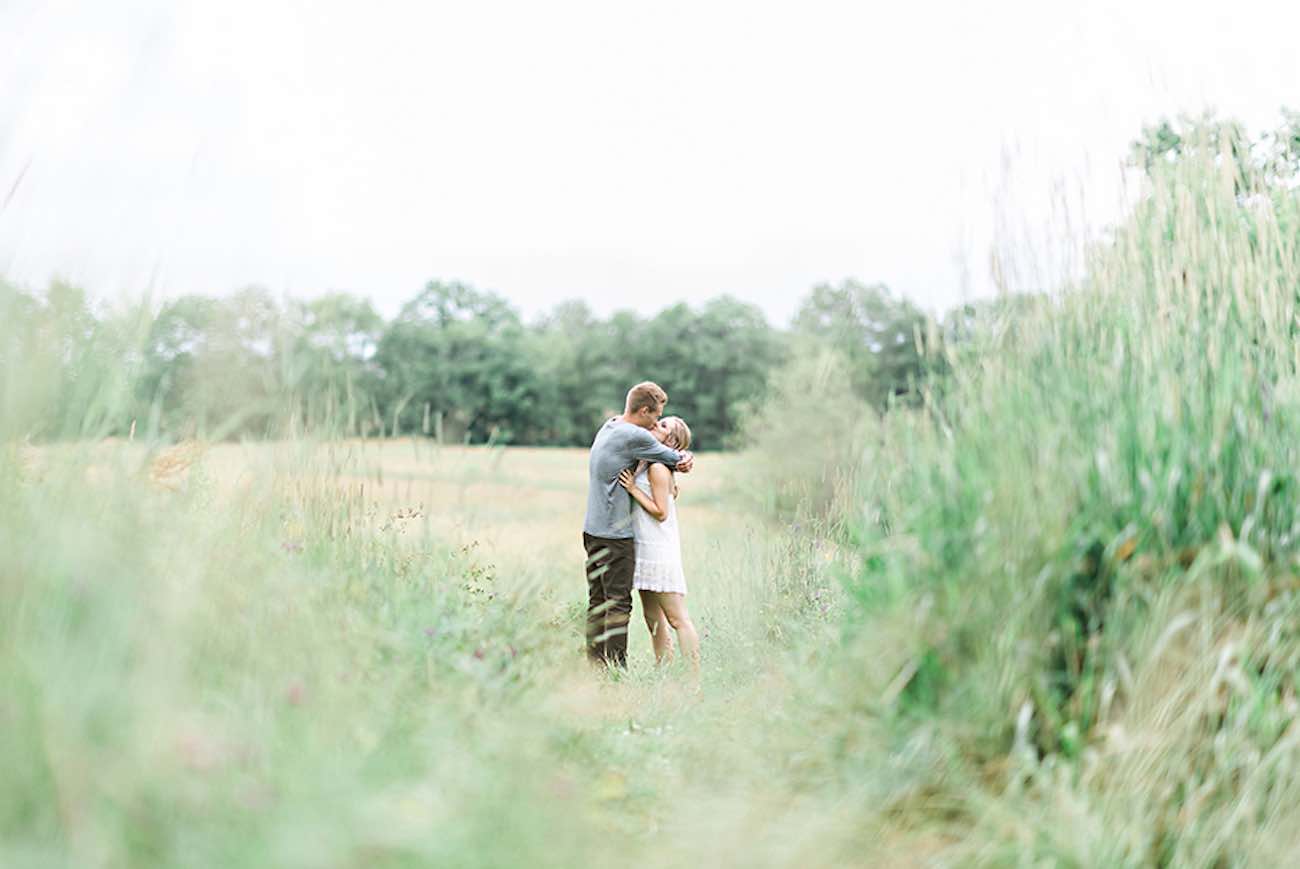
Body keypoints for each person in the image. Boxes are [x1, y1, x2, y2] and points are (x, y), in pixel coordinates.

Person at [582, 382, 694, 668]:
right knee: (618, 605)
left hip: (593, 531)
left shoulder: (610, 426)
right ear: (644, 411)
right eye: (656, 416)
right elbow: (676, 459)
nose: (657, 422)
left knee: (599, 603)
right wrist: (685, 457)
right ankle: (616, 671)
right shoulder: (634, 435)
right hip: (615, 536)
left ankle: (596, 666)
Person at [619, 415, 699, 679]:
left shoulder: (657, 468)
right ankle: (662, 673)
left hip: (659, 551)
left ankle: (693, 680)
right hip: (644, 549)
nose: (657, 424)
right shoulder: (647, 461)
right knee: (653, 618)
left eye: (664, 426)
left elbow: (660, 512)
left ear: (672, 440)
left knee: (677, 619)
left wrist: (632, 489)